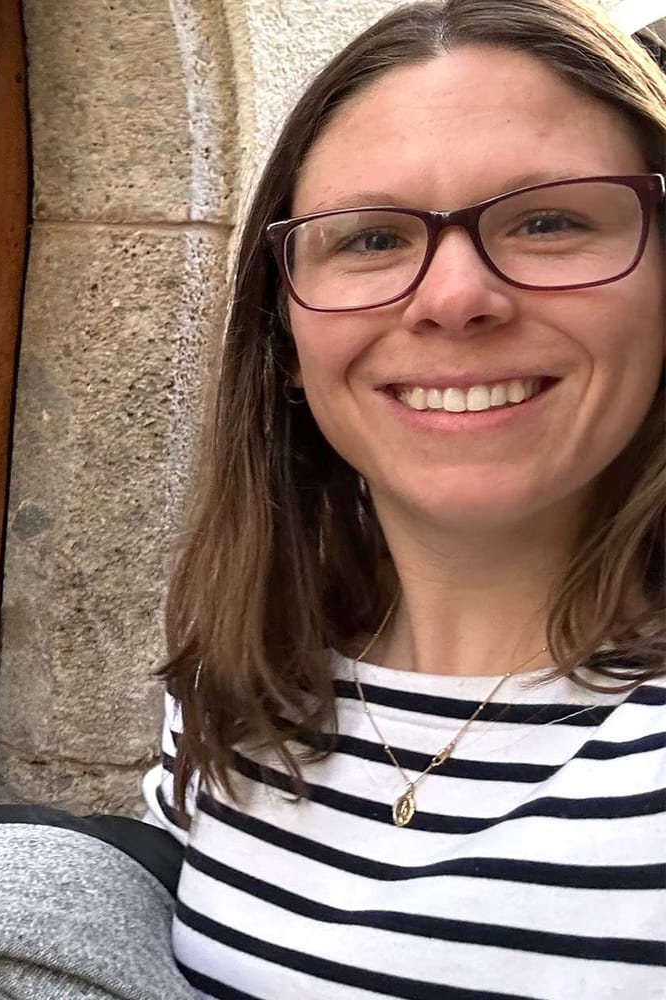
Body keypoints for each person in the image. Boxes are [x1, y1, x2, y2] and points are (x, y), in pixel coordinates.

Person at [142, 1, 666, 996]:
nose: (452, 297)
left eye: (548, 219)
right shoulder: (233, 683)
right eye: (371, 238)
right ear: (283, 336)